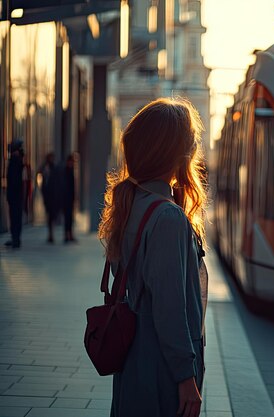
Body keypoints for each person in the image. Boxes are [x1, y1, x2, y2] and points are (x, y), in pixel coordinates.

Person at [98, 98, 208, 417]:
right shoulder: (168, 218)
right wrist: (186, 377)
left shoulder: (132, 205)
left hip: (134, 364)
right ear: (176, 153)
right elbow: (170, 307)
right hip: (161, 371)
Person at [5, 140, 25, 249]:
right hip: (15, 195)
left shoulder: (15, 161)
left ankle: (15, 239)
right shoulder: (17, 161)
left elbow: (14, 180)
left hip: (15, 195)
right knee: (15, 218)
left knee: (15, 217)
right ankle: (15, 238)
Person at [40, 153, 62, 243]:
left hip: (54, 196)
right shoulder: (44, 168)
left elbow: (57, 183)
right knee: (49, 215)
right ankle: (50, 234)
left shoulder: (55, 169)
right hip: (47, 196)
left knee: (52, 215)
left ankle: (51, 234)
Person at [63, 154, 76, 242]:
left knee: (70, 218)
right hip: (66, 198)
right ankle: (67, 235)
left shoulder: (71, 170)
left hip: (70, 198)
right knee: (67, 217)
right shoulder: (66, 171)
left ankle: (69, 234)